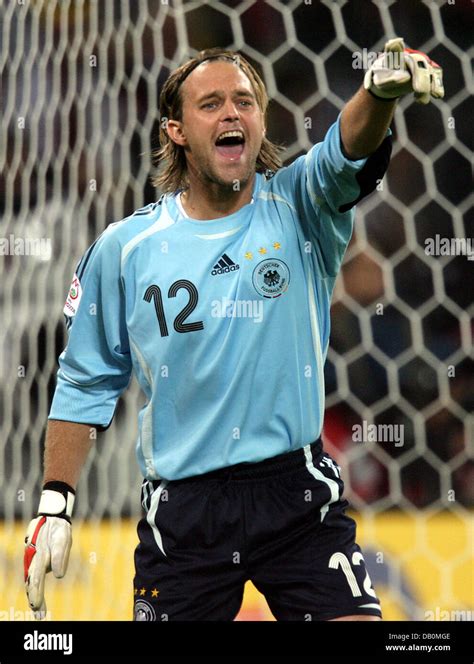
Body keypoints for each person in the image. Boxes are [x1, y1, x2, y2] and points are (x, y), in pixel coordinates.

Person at [24, 40, 443, 621]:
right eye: (212, 103)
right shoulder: (125, 250)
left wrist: (377, 93)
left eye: (244, 101)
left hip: (295, 497)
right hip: (185, 513)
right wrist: (54, 504)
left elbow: (345, 152)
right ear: (175, 129)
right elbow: (85, 381)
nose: (231, 114)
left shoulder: (300, 205)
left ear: (260, 120)